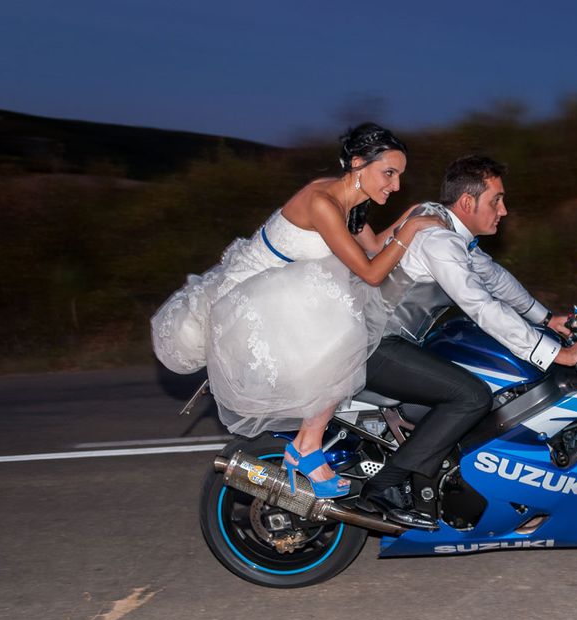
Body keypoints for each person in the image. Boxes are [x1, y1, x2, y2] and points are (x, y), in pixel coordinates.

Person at [151, 123, 444, 498]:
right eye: (389, 173)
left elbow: (373, 244)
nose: (396, 185)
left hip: (285, 289)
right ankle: (306, 447)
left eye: (400, 176)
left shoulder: (349, 201)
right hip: (249, 301)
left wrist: (412, 217)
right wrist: (411, 229)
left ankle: (315, 440)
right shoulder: (322, 203)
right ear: (358, 163)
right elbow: (371, 272)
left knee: (349, 316)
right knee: (346, 329)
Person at [357, 155, 577, 527]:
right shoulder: (438, 240)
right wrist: (557, 354)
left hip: (392, 341)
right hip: (375, 345)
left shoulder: (449, 229)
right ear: (467, 203)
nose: (503, 210)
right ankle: (385, 486)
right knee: (471, 396)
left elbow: (495, 279)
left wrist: (547, 319)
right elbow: (479, 304)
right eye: (496, 200)